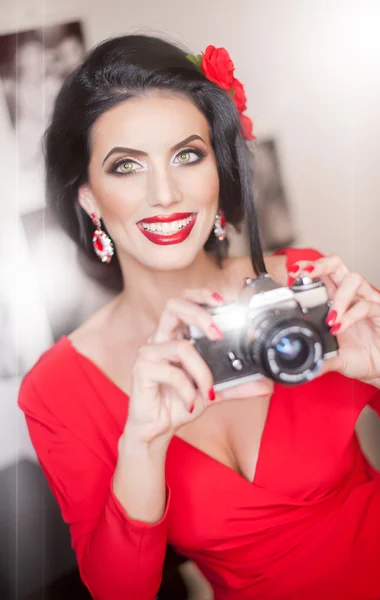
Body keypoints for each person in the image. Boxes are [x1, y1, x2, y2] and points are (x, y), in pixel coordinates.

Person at [18, 34, 380, 600]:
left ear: (218, 168)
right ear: (89, 198)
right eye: (126, 166)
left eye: (188, 155)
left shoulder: (308, 283)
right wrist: (142, 443)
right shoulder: (58, 389)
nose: (165, 194)